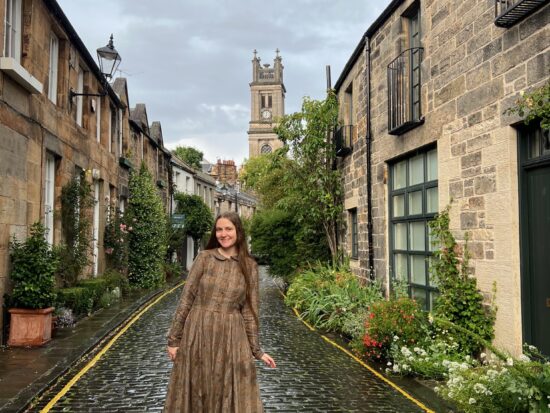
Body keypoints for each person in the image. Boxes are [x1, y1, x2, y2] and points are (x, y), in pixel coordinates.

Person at [164, 211, 276, 413]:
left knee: (231, 392)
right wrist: (174, 340)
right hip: (198, 333)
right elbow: (186, 299)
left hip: (232, 338)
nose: (223, 234)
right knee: (198, 388)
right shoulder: (205, 258)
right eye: (219, 229)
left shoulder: (249, 266)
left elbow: (250, 312)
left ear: (238, 232)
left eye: (228, 229)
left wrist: (257, 350)